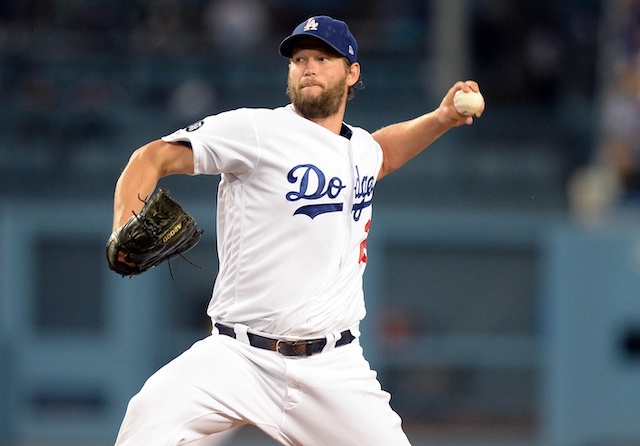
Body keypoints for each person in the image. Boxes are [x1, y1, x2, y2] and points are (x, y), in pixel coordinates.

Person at [111, 15, 483, 446]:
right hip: (237, 357)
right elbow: (151, 157)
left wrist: (440, 118)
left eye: (324, 58)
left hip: (334, 368)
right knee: (146, 420)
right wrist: (123, 223)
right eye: (300, 58)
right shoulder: (256, 130)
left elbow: (381, 155)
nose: (309, 67)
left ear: (352, 72)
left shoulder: (360, 148)